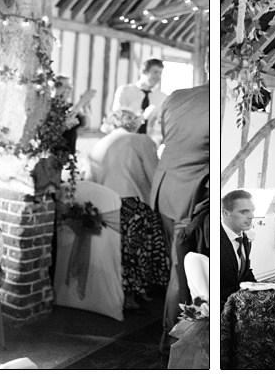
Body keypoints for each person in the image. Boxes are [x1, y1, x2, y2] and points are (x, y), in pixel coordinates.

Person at [85, 109, 166, 311]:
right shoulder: (141, 140)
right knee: (141, 242)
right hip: (132, 204)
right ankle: (134, 293)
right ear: (135, 123)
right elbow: (154, 175)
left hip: (104, 208)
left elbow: (89, 180)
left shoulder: (98, 144)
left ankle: (116, 292)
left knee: (116, 249)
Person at [152, 83, 209, 351]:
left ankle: (174, 340)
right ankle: (175, 344)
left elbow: (167, 139)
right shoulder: (216, 99)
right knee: (184, 273)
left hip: (165, 189)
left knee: (177, 268)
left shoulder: (177, 95)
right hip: (191, 195)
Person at [218, 189, 256, 304]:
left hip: (239, 304)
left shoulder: (244, 237)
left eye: (252, 211)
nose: (251, 216)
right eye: (244, 212)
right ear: (226, 213)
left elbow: (245, 273)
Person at [111, 59, 165, 135]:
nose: (158, 77)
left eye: (160, 73)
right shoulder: (124, 91)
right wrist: (141, 117)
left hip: (147, 142)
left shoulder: (162, 97)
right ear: (144, 72)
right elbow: (118, 118)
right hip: (124, 139)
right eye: (155, 72)